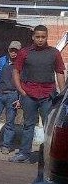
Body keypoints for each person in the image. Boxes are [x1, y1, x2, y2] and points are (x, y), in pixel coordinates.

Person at [9, 25, 66, 163]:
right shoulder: (24, 53)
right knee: (28, 125)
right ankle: (24, 154)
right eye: (38, 37)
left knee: (49, 126)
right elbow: (16, 71)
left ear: (47, 37)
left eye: (43, 37)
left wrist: (63, 94)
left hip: (48, 96)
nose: (40, 39)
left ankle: (49, 157)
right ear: (33, 37)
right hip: (29, 95)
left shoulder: (54, 53)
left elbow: (59, 72)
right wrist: (21, 91)